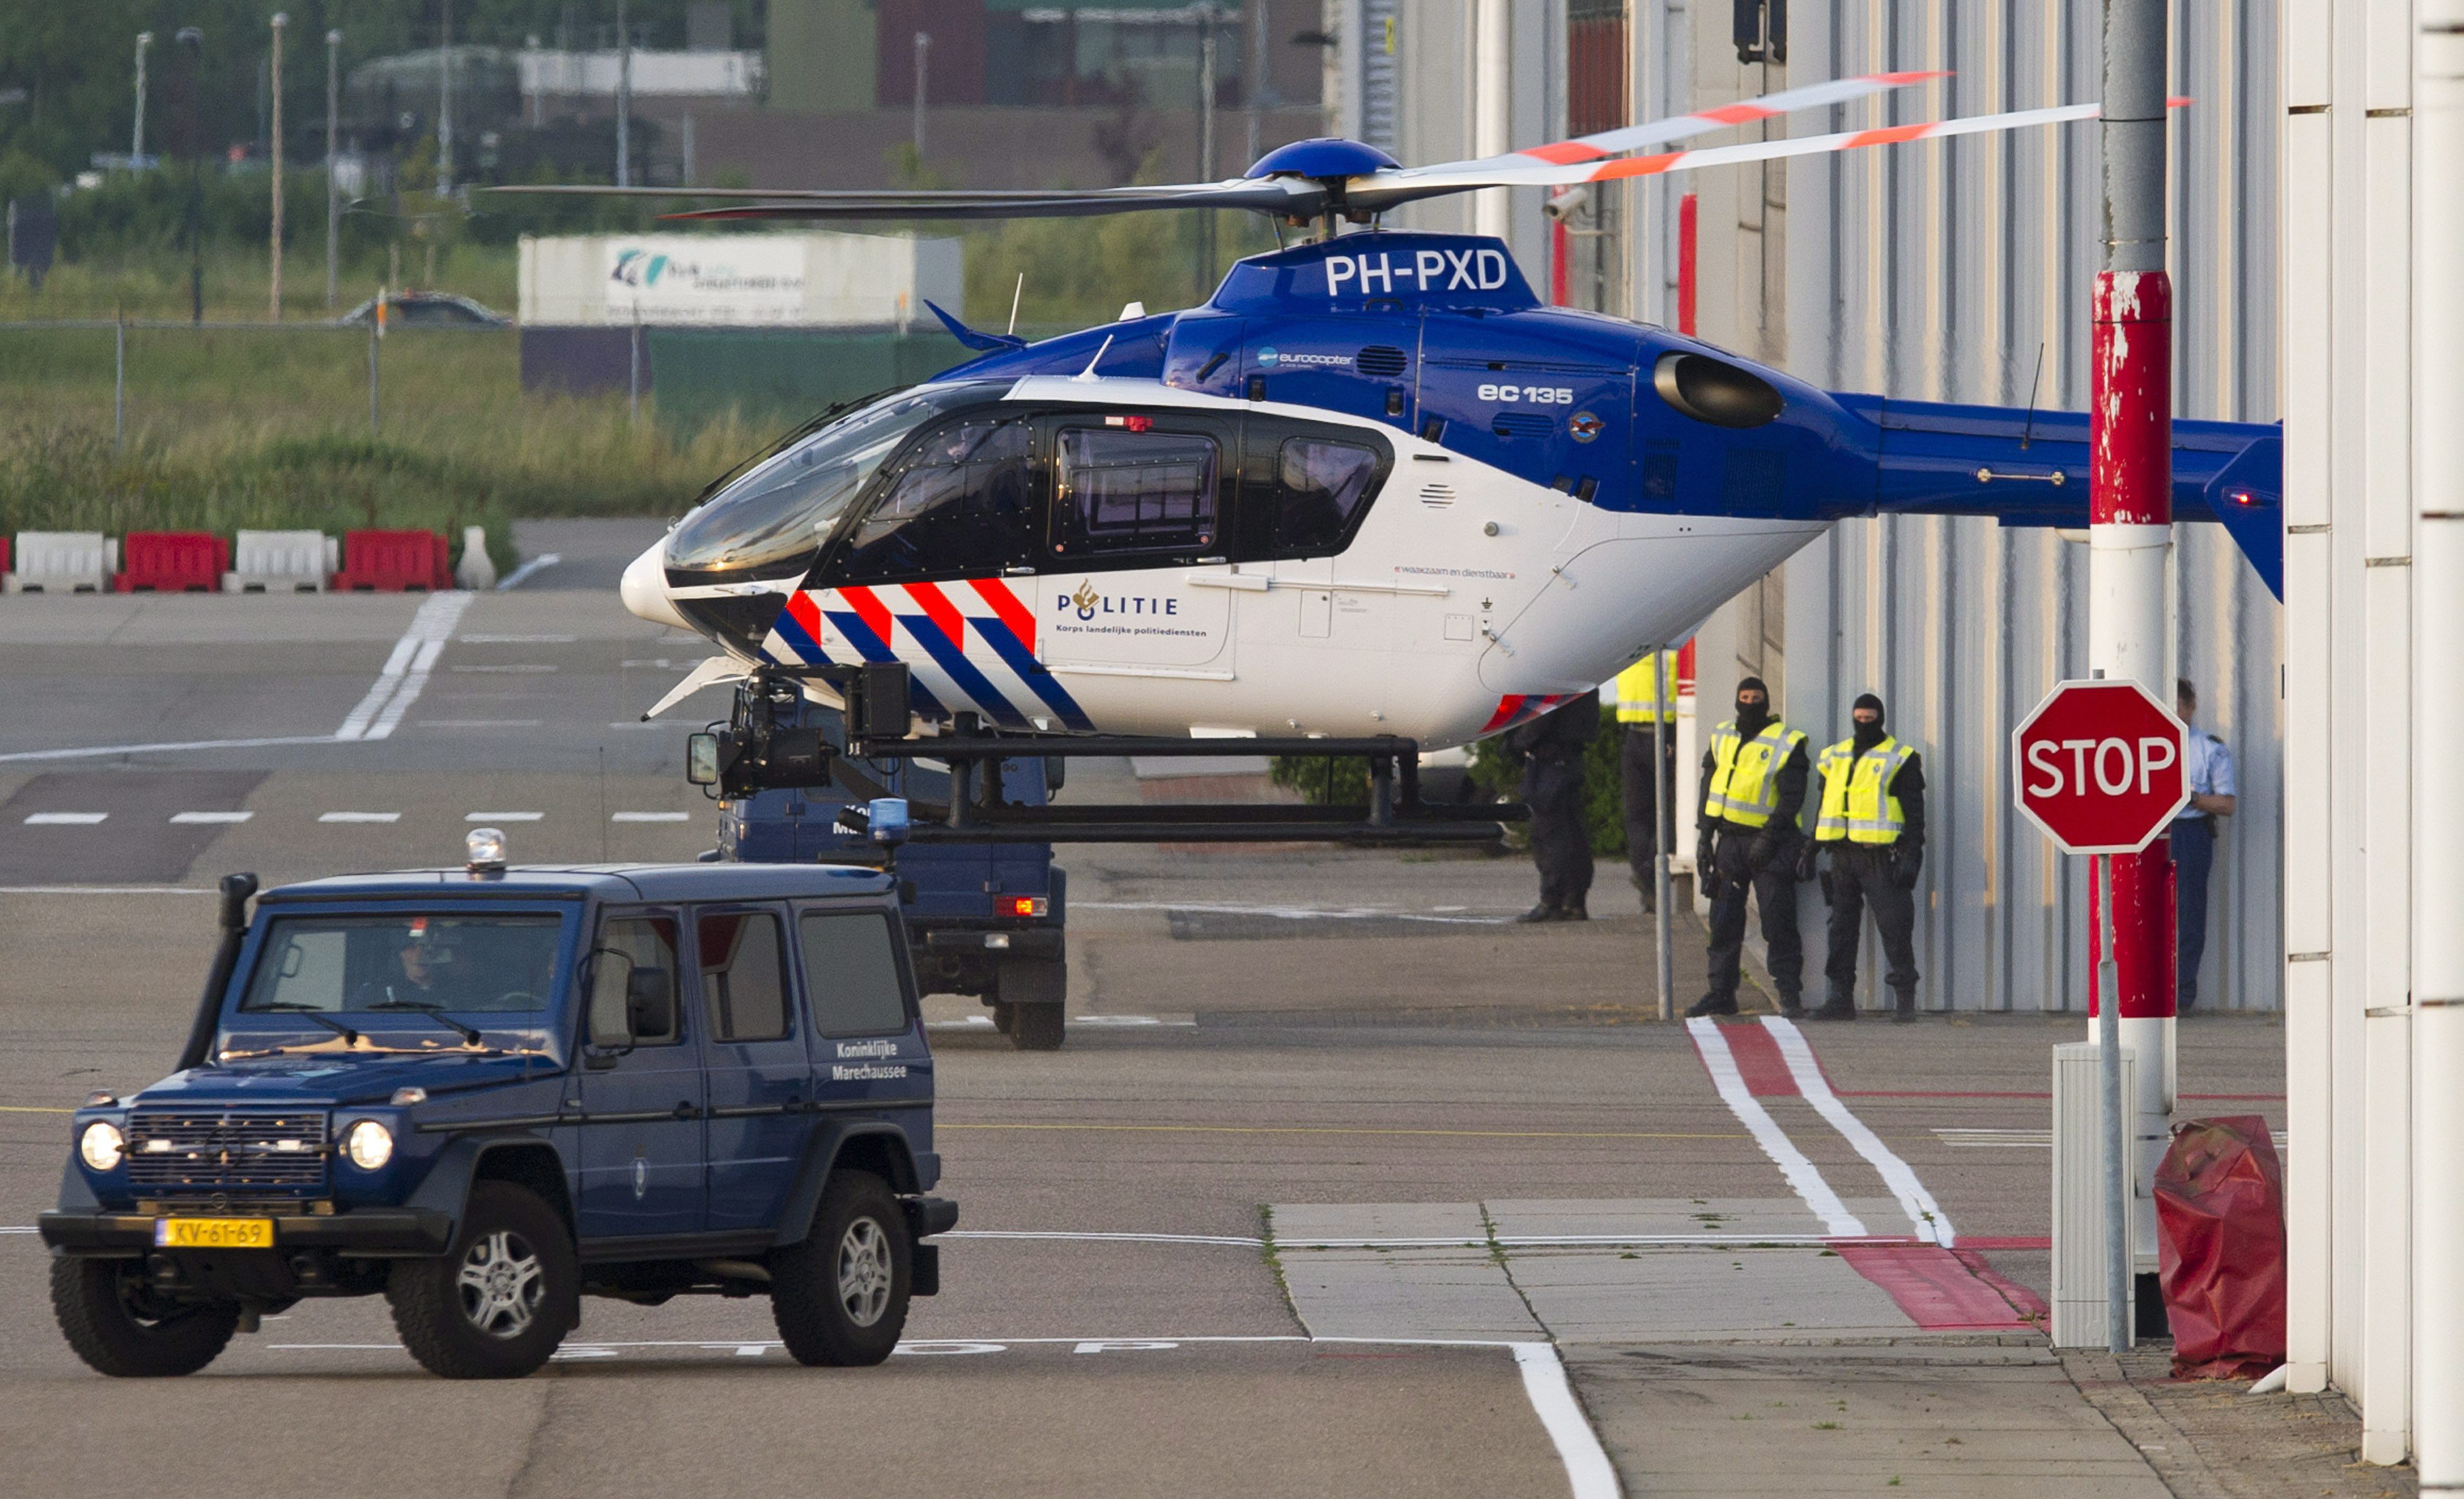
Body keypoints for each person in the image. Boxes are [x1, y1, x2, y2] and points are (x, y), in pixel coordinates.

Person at [1688, 677, 1809, 1015]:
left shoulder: (1788, 742)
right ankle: (1722, 994)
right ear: (1736, 700)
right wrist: (1704, 836)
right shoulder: (1723, 735)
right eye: (1745, 696)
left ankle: (1789, 994)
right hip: (1729, 842)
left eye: (1757, 697)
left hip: (1772, 844)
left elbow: (1791, 799)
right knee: (1723, 922)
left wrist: (1768, 838)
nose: (1750, 702)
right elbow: (1709, 786)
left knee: (1777, 922)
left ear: (1767, 702)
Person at [1803, 693, 1926, 1022]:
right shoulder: (1835, 756)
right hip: (1841, 856)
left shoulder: (1901, 758)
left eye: (1870, 718)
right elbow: (1825, 807)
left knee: (1895, 926)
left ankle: (1905, 1001)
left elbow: (1915, 814)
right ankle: (1841, 1000)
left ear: (1881, 718)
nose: (1864, 723)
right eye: (1859, 718)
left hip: (1881, 857)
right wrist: (1812, 847)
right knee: (1841, 929)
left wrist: (1913, 855)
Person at [1510, 688, 1601, 922]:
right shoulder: (1583, 667)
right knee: (1571, 831)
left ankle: (1552, 901)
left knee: (1549, 832)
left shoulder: (1558, 671)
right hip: (1568, 758)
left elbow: (1544, 711)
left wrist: (1518, 742)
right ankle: (1574, 900)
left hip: (1550, 759)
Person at [2173, 679, 2236, 1010]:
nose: (2173, 712)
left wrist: (2194, 798)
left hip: (2190, 834)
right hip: (2151, 834)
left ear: (2191, 706)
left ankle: (2182, 995)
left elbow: (2227, 804)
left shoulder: (2209, 748)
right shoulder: (2142, 743)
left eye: (2178, 705)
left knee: (2190, 915)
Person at [1615, 650, 1681, 913]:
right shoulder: (1640, 636)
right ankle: (1647, 879)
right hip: (1640, 734)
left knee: (1662, 812)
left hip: (1663, 733)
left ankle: (1649, 875)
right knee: (1641, 813)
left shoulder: (1644, 640)